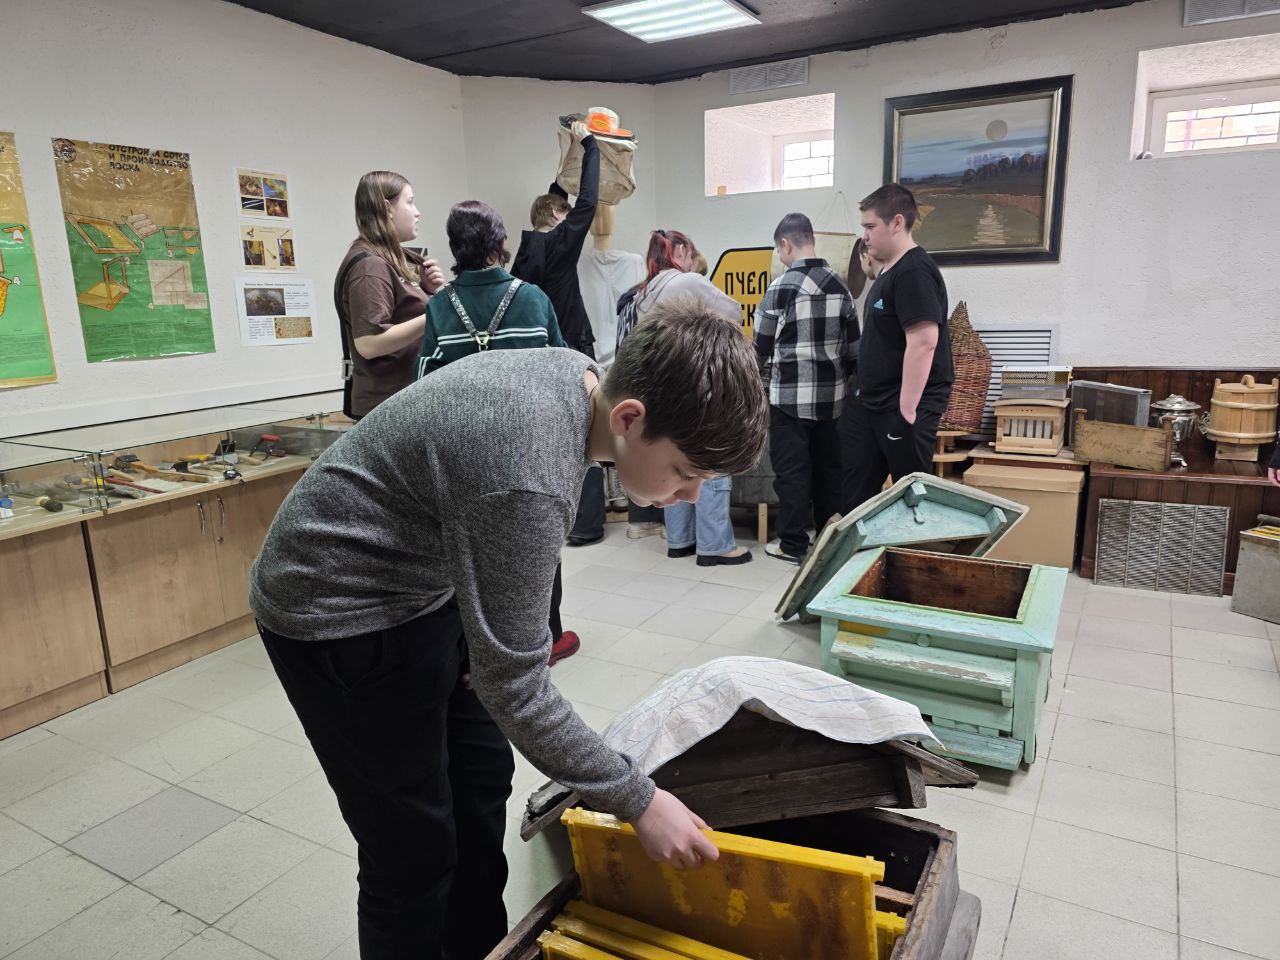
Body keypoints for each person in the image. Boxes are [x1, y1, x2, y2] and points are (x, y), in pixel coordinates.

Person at [250, 303, 766, 959]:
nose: (690, 497)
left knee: (481, 785)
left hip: (424, 577)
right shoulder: (527, 470)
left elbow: (509, 580)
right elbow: (516, 688)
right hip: (333, 604)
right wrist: (639, 801)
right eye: (687, 474)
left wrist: (491, 644)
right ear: (629, 419)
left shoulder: (582, 380)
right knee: (410, 850)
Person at [512, 121, 607, 549]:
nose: (571, 219)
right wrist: (589, 145)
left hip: (538, 357)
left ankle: (559, 522)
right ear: (554, 217)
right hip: (573, 351)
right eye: (563, 214)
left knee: (550, 440)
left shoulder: (525, 251)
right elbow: (587, 200)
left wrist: (563, 166)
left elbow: (559, 201)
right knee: (588, 435)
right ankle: (587, 523)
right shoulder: (564, 242)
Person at [633, 230, 751, 566]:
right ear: (682, 250)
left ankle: (680, 540)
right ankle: (714, 546)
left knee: (677, 462)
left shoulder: (645, 293)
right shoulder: (687, 282)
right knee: (711, 463)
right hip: (697, 389)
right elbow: (734, 312)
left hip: (662, 391)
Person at [839, 183, 953, 514]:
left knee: (911, 504)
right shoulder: (891, 270)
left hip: (900, 409)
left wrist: (906, 413)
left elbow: (924, 342)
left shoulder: (914, 271)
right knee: (855, 501)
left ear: (897, 223)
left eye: (870, 226)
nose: (864, 236)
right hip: (872, 404)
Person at [756, 213, 858, 565]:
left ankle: (793, 545)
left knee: (792, 474)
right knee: (830, 472)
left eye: (778, 249)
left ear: (786, 244)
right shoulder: (840, 286)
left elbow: (760, 349)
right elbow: (854, 350)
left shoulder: (780, 287)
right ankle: (828, 542)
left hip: (788, 400)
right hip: (832, 401)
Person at [337, 171, 445, 419]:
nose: (417, 212)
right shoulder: (369, 266)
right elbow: (369, 343)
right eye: (410, 202)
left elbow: (400, 316)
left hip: (405, 402)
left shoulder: (386, 259)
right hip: (388, 409)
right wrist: (436, 312)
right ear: (388, 209)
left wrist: (426, 291)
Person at [417, 200, 564, 376]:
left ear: (454, 248)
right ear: (500, 242)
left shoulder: (438, 305)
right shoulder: (535, 297)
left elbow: (425, 378)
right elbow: (562, 366)